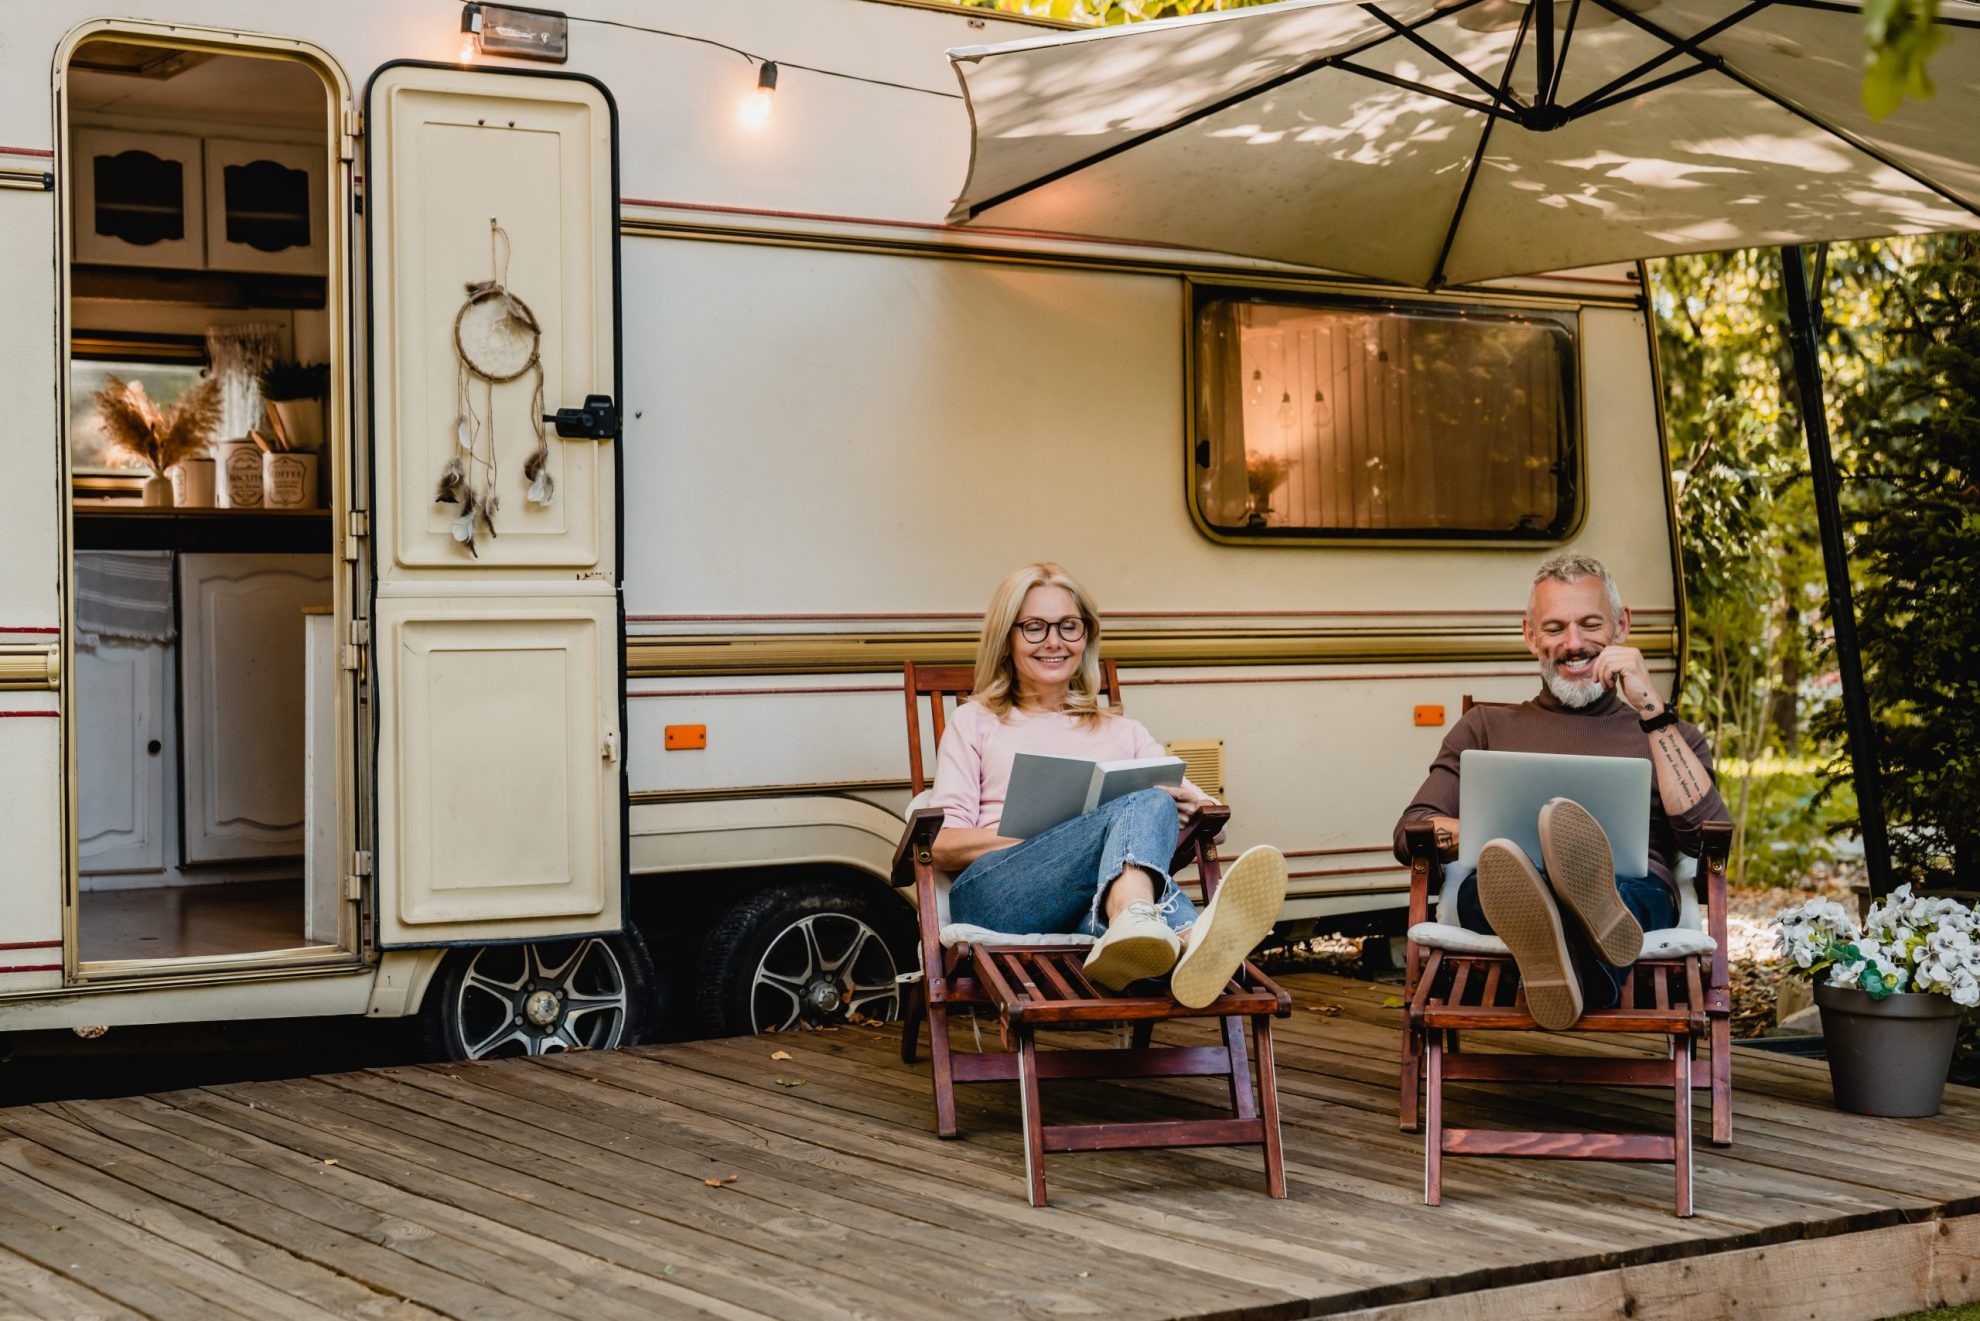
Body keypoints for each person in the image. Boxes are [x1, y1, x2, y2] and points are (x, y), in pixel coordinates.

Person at [1392, 552, 1729, 1029]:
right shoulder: (1485, 728)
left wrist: (1651, 707)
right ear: (1530, 635)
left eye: (1590, 624)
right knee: (1497, 884)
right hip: (1506, 891)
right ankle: (1585, 953)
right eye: (1554, 628)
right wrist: (1488, 839)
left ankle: (1570, 931)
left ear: (1622, 625)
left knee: (1627, 895)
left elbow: (1705, 837)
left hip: (1631, 888)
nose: (1574, 644)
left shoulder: (1667, 734)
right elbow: (1410, 834)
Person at [930, 562, 1288, 1007]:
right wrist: (1057, 839)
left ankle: (1145, 928)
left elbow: (1214, 821)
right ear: (1007, 639)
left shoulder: (1124, 732)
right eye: (1035, 628)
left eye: (1068, 626)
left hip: (1080, 903)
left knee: (1151, 805)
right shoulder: (976, 723)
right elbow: (941, 846)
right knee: (1141, 804)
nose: (1055, 642)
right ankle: (1188, 932)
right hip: (996, 896)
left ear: (1086, 637)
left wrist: (1187, 806)